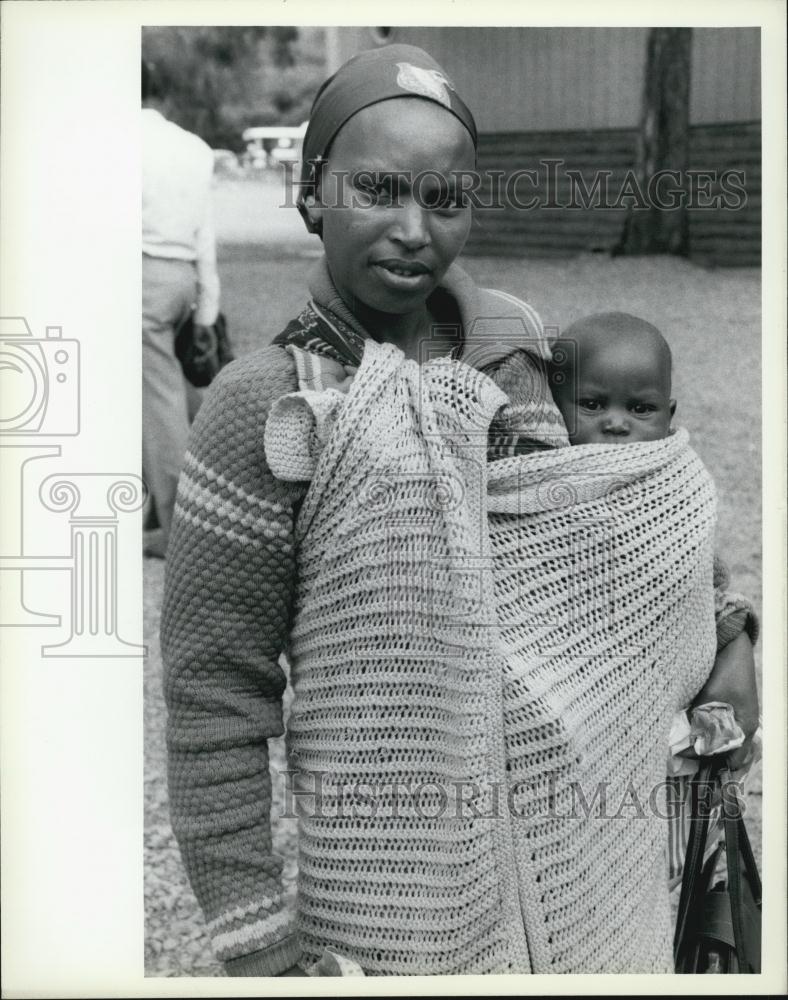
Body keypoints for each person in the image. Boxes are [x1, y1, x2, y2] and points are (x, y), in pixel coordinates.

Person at [160, 47, 758, 976]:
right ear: (313, 191)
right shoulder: (271, 407)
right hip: (393, 898)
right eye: (379, 190)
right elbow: (213, 699)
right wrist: (258, 949)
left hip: (592, 865)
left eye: (445, 199)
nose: (413, 228)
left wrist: (732, 641)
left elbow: (625, 522)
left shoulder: (523, 354)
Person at [142, 59, 220, 558]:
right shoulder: (194, 148)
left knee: (158, 399)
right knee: (164, 390)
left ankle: (180, 525)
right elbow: (205, 229)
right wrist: (208, 309)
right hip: (181, 276)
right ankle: (173, 503)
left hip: (137, 272)